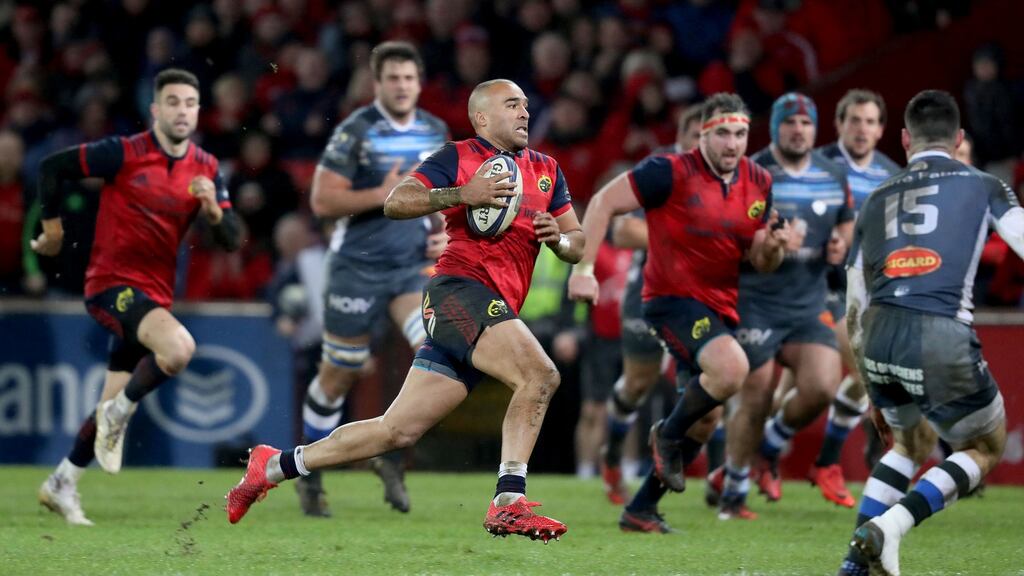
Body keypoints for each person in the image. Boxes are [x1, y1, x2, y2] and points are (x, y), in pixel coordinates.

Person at [226, 79, 583, 543]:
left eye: (526, 106)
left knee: (395, 431)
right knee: (540, 375)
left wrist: (560, 238)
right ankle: (509, 501)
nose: (524, 113)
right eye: (512, 105)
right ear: (482, 118)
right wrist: (461, 194)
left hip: (489, 309)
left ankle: (272, 466)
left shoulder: (547, 169)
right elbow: (398, 202)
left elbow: (578, 243)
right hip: (458, 292)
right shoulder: (457, 157)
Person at [569, 93, 788, 533]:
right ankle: (664, 436)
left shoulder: (759, 181)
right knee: (731, 370)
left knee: (705, 421)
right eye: (722, 132)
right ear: (702, 134)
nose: (732, 143)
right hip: (669, 300)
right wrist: (585, 269)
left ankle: (641, 508)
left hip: (720, 305)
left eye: (741, 133)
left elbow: (759, 259)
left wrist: (773, 249)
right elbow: (602, 203)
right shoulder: (667, 171)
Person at [35, 68, 241, 525]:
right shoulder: (124, 152)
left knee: (108, 399)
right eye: (173, 102)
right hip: (110, 284)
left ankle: (62, 481)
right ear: (156, 110)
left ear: (199, 111)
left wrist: (211, 210)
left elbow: (232, 238)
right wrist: (52, 230)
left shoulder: (206, 168)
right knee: (179, 348)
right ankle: (120, 415)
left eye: (189, 103)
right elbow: (53, 168)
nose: (182, 111)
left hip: (154, 295)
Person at [838, 89, 1018, 576]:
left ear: (903, 139)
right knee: (984, 446)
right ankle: (889, 528)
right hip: (938, 332)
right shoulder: (984, 184)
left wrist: (870, 387)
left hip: (875, 336)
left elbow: (853, 300)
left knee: (909, 444)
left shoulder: (875, 197)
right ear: (959, 139)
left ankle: (852, 568)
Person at [299, 41, 449, 517]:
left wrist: (444, 234)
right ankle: (309, 468)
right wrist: (382, 192)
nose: (402, 86)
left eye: (409, 78)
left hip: (409, 269)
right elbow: (323, 201)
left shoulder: (434, 130)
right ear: (377, 83)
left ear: (419, 83)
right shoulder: (355, 132)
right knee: (339, 374)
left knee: (437, 346)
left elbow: (444, 194)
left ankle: (388, 448)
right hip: (357, 270)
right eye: (393, 78)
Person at [708, 93, 853, 519]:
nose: (798, 130)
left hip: (808, 302)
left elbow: (846, 222)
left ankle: (770, 444)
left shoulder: (831, 173)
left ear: (815, 129)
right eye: (790, 123)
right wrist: (766, 243)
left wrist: (841, 243)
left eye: (806, 124)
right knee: (754, 395)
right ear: (774, 128)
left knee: (823, 387)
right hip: (756, 300)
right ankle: (733, 490)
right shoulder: (751, 171)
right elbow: (727, 238)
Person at [600, 105, 703, 505]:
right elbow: (623, 230)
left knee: (713, 385)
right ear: (682, 137)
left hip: (701, 297)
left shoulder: (728, 178)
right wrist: (686, 235)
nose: (704, 143)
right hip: (648, 292)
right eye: (696, 134)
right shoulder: (659, 168)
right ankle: (612, 457)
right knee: (638, 383)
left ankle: (726, 483)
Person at [817, 89, 901, 480]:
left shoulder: (889, 175)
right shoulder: (819, 166)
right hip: (816, 285)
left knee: (862, 374)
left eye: (870, 121)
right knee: (857, 372)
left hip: (867, 289)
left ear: (882, 128)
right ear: (839, 124)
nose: (862, 129)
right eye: (854, 120)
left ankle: (801, 454)